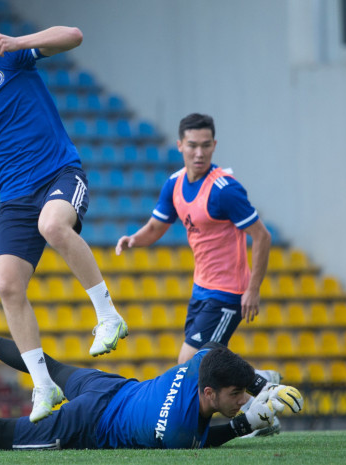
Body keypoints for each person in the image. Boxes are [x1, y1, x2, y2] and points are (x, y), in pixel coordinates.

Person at [0, 1, 127, 422]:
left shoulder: (10, 55)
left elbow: (73, 35)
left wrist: (20, 40)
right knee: (7, 284)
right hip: (14, 196)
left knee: (53, 224)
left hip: (60, 173)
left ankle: (108, 317)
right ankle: (43, 384)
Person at [0, 316, 303, 449]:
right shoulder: (179, 431)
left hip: (109, 386)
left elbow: (217, 353)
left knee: (47, 365)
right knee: (3, 437)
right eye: (236, 394)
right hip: (89, 419)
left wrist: (258, 385)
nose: (241, 397)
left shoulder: (202, 366)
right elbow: (204, 443)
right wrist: (245, 425)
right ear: (208, 392)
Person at [116, 113, 272, 364]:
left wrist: (253, 289)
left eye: (206, 145)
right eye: (192, 145)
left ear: (214, 145)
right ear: (180, 145)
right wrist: (134, 239)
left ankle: (256, 384)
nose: (199, 153)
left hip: (227, 292)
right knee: (207, 367)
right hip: (200, 289)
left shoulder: (225, 190)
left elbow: (262, 237)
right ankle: (260, 382)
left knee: (189, 364)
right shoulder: (174, 184)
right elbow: (156, 227)